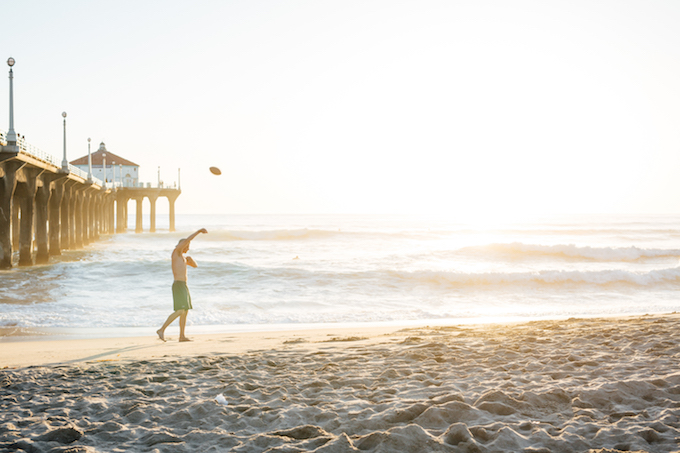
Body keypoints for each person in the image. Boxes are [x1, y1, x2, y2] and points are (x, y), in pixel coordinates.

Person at [157, 228, 208, 342]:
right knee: (180, 310)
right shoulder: (177, 253)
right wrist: (199, 231)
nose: (188, 248)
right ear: (182, 245)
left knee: (185, 311)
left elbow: (195, 266)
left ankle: (182, 336)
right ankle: (162, 329)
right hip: (178, 285)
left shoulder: (183, 258)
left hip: (184, 285)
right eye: (187, 245)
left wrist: (191, 260)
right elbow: (187, 240)